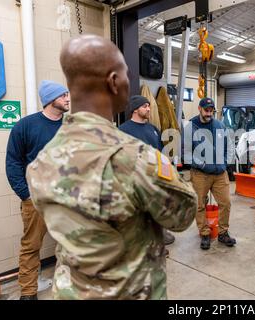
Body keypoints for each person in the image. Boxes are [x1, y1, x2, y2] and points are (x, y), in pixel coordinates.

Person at [26, 35, 197, 300]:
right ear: (114, 81)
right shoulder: (136, 158)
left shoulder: (41, 163)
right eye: (126, 74)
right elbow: (183, 217)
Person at [5, 80, 70, 300]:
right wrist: (25, 194)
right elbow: (13, 163)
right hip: (36, 198)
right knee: (31, 247)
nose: (68, 98)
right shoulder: (25, 126)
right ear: (51, 99)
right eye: (64, 95)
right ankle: (28, 292)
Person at [119, 95, 175, 245]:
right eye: (145, 106)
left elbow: (160, 153)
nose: (149, 109)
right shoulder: (123, 130)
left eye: (149, 106)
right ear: (135, 109)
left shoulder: (153, 129)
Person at [185, 97, 236, 250]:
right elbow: (186, 153)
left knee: (225, 202)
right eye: (206, 110)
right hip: (200, 174)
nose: (209, 113)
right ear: (199, 109)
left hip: (220, 173)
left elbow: (228, 146)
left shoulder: (220, 125)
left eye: (211, 110)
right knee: (200, 204)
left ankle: (223, 233)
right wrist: (203, 165)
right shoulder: (190, 127)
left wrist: (224, 164)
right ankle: (205, 233)